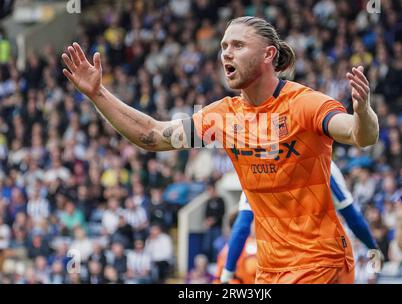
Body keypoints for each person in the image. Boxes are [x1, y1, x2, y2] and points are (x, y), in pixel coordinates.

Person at [61, 16, 379, 284]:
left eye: (237, 46)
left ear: (269, 54)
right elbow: (152, 135)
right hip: (271, 270)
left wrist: (363, 111)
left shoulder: (304, 104)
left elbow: (359, 134)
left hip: (320, 261)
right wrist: (98, 93)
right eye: (223, 46)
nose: (226, 53)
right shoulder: (222, 117)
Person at [220, 160, 382, 283]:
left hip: (293, 260)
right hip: (323, 256)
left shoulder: (257, 169)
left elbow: (242, 227)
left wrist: (227, 273)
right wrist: (374, 249)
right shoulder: (322, 161)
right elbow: (352, 217)